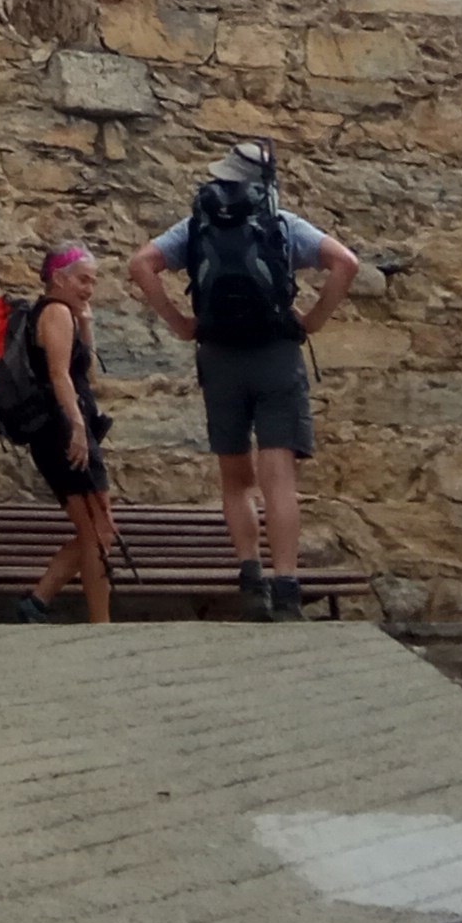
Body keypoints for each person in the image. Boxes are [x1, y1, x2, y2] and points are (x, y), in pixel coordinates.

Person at [132, 140, 363, 621]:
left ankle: (250, 577)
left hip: (219, 357)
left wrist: (179, 322)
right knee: (278, 479)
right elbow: (346, 263)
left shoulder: (195, 226)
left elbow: (141, 263)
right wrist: (313, 321)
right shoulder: (282, 224)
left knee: (236, 478)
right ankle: (286, 586)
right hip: (275, 355)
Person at [0, 244, 118, 622]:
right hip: (62, 432)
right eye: (83, 280)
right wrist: (78, 427)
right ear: (59, 278)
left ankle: (37, 603)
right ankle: (97, 621)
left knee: (96, 530)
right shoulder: (55, 312)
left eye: (93, 281)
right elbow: (59, 375)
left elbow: (85, 373)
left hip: (56, 432)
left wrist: (86, 322)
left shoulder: (62, 314)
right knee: (98, 530)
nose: (89, 288)